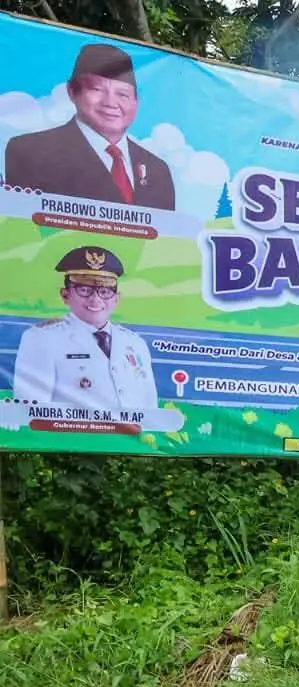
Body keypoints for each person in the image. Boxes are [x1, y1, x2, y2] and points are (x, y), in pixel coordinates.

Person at [4, 44, 175, 210]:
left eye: (122, 94)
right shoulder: (30, 152)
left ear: (136, 103)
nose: (110, 103)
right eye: (97, 89)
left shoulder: (157, 170)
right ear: (71, 91)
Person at [11, 245, 158, 412]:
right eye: (84, 289)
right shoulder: (42, 338)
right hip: (71, 437)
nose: (95, 299)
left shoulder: (135, 343)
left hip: (132, 438)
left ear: (117, 299)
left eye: (104, 291)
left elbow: (149, 407)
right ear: (65, 295)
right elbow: (31, 410)